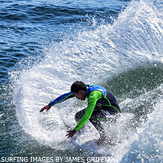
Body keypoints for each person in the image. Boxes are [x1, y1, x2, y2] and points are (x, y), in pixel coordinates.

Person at [40, 81, 121, 145]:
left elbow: (87, 115)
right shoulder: (84, 88)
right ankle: (82, 129)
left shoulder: (93, 95)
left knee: (93, 117)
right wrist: (50, 104)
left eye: (76, 95)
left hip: (113, 112)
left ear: (80, 92)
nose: (76, 98)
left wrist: (75, 129)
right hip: (101, 106)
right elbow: (66, 96)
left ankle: (103, 137)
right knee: (78, 115)